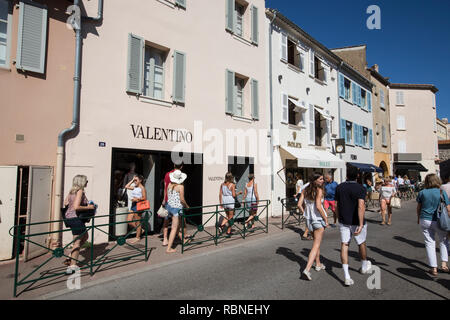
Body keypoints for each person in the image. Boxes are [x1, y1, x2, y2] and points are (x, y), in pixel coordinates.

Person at [335, 165, 372, 287]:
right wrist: (361, 223)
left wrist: (338, 218)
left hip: (344, 221)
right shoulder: (360, 188)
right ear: (357, 175)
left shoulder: (339, 187)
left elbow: (336, 205)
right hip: (356, 221)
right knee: (361, 243)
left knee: (344, 244)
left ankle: (346, 276)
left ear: (346, 175)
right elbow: (361, 206)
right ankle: (363, 266)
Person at [416, 174, 450, 276]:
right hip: (440, 220)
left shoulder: (422, 192)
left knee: (429, 243)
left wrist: (418, 218)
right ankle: (444, 264)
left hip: (425, 219)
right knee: (443, 241)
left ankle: (433, 267)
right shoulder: (441, 192)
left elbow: (419, 208)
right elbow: (448, 208)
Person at [297, 173, 328, 280]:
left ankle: (318, 264)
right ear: (315, 180)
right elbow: (319, 206)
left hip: (309, 221)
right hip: (318, 220)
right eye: (320, 179)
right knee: (315, 245)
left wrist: (306, 214)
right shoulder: (319, 190)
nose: (322, 180)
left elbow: (299, 205)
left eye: (322, 179)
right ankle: (307, 269)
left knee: (316, 242)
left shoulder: (305, 190)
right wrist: (326, 219)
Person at [63, 175, 96, 274]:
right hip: (76, 219)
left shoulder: (71, 191)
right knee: (77, 242)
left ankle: (71, 256)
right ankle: (73, 266)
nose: (87, 182)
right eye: (86, 180)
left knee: (85, 236)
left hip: (69, 218)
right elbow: (76, 207)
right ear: (81, 182)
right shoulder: (80, 191)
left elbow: (65, 203)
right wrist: (89, 207)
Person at [162, 162, 188, 245]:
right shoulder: (180, 184)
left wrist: (164, 199)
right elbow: (181, 198)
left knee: (166, 221)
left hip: (168, 201)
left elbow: (165, 187)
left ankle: (165, 239)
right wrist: (186, 205)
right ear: (181, 166)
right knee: (178, 222)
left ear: (173, 165)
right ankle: (180, 238)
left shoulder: (167, 175)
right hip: (176, 205)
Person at [125, 174, 147, 244]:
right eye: (134, 180)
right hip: (133, 205)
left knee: (138, 222)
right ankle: (140, 230)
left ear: (140, 180)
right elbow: (126, 186)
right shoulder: (134, 187)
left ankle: (137, 237)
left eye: (136, 180)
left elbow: (144, 198)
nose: (135, 181)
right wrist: (132, 180)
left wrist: (137, 199)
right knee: (128, 220)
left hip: (138, 205)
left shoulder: (142, 188)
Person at [219, 172, 237, 237]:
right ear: (231, 177)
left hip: (224, 201)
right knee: (231, 217)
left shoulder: (222, 184)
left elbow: (220, 194)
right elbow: (234, 195)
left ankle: (222, 225)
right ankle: (228, 230)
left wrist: (221, 203)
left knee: (227, 215)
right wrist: (239, 193)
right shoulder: (232, 185)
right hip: (230, 200)